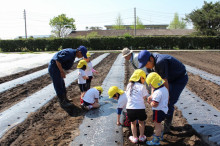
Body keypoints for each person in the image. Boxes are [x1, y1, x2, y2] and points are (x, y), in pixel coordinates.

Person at [138, 50, 188, 132]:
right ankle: (163, 121)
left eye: (146, 64)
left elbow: (164, 81)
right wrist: (152, 95)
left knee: (169, 101)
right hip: (169, 78)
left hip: (179, 78)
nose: (146, 67)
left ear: (151, 59)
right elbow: (153, 83)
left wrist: (167, 97)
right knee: (163, 98)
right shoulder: (150, 67)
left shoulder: (160, 62)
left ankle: (167, 127)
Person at [126, 69, 149, 144]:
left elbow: (127, 95)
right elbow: (144, 97)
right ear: (140, 78)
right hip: (140, 108)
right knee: (141, 122)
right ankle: (142, 137)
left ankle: (135, 137)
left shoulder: (129, 85)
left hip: (130, 107)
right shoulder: (142, 86)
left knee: (133, 123)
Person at [145, 72, 169, 145]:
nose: (150, 86)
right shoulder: (164, 89)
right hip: (163, 110)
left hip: (158, 111)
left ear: (153, 83)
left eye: (150, 84)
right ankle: (160, 135)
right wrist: (152, 97)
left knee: (157, 125)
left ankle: (156, 140)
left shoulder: (157, 92)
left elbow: (155, 104)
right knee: (159, 123)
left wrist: (150, 102)